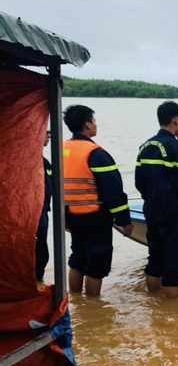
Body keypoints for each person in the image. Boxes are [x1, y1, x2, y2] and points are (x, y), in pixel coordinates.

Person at [62, 105, 133, 296]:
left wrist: (63, 217)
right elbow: (113, 190)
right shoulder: (95, 153)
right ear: (87, 124)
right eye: (94, 121)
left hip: (72, 215)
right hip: (95, 217)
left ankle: (76, 302)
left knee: (77, 258)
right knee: (97, 263)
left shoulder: (60, 149)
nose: (95, 125)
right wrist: (124, 220)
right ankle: (92, 306)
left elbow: (54, 187)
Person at [135, 101, 178, 299]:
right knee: (174, 262)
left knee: (155, 257)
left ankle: (152, 301)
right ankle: (170, 312)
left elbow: (139, 182)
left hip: (152, 209)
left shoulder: (145, 146)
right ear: (176, 120)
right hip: (174, 213)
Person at [36, 126, 53, 283]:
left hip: (43, 216)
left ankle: (38, 284)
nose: (49, 136)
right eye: (46, 133)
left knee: (41, 255)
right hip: (32, 219)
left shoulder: (45, 163)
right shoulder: (26, 162)